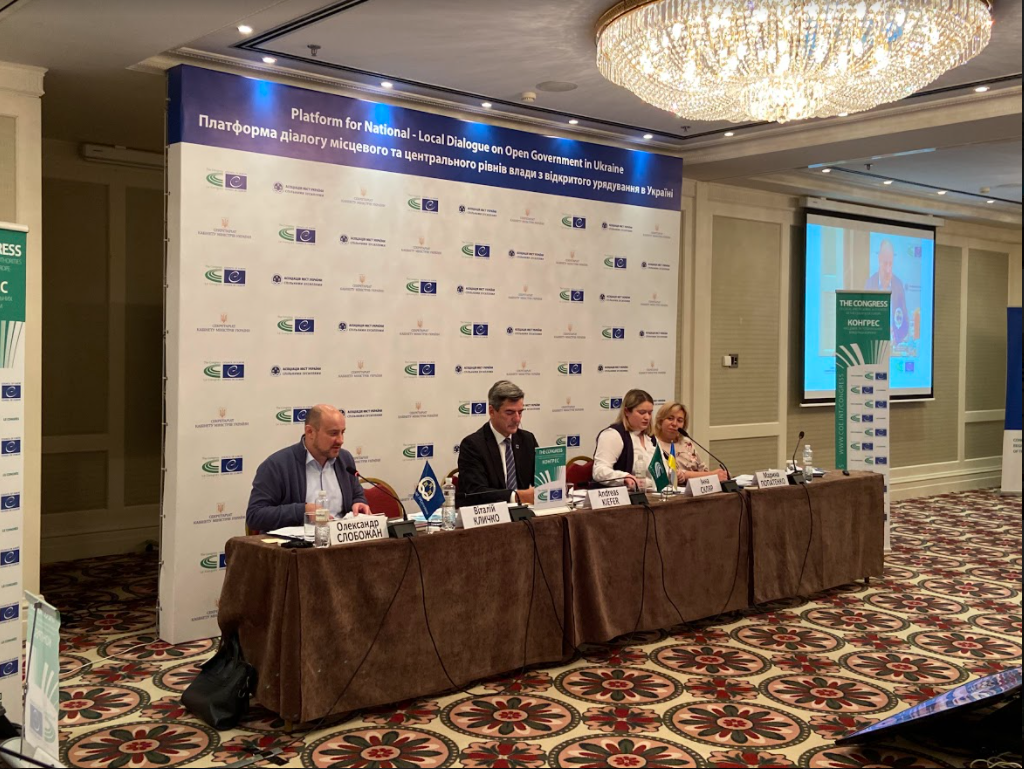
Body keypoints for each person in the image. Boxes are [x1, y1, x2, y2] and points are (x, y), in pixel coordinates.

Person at [245, 404, 370, 532]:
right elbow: (255, 516)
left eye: (342, 432)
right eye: (333, 433)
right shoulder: (276, 465)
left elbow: (357, 495)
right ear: (310, 432)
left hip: (341, 539)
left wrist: (359, 503)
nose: (340, 440)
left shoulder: (345, 459)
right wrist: (303, 511)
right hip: (299, 542)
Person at [456, 380, 538, 507]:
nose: (517, 419)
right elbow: (476, 492)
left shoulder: (527, 440)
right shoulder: (473, 445)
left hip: (524, 514)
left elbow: (541, 482)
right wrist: (516, 497)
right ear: (492, 411)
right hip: (490, 515)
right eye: (510, 413)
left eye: (520, 412)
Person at [592, 389, 655, 489]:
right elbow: (599, 471)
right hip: (623, 495)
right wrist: (624, 477)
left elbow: (661, 471)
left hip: (652, 493)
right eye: (642, 412)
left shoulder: (650, 438)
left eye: (650, 413)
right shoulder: (613, 435)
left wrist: (674, 473)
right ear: (626, 412)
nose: (647, 417)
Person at [652, 402, 729, 484]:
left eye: (679, 420)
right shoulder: (652, 444)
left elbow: (702, 469)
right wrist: (712, 475)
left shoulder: (686, 443)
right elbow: (672, 473)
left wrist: (719, 475)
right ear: (660, 421)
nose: (674, 424)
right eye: (670, 418)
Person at [864, 239, 909, 345]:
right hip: (873, 345)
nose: (888, 269)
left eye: (890, 264)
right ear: (879, 259)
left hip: (893, 345)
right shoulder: (870, 284)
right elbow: (863, 319)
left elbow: (905, 322)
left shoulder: (898, 285)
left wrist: (898, 338)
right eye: (885, 264)